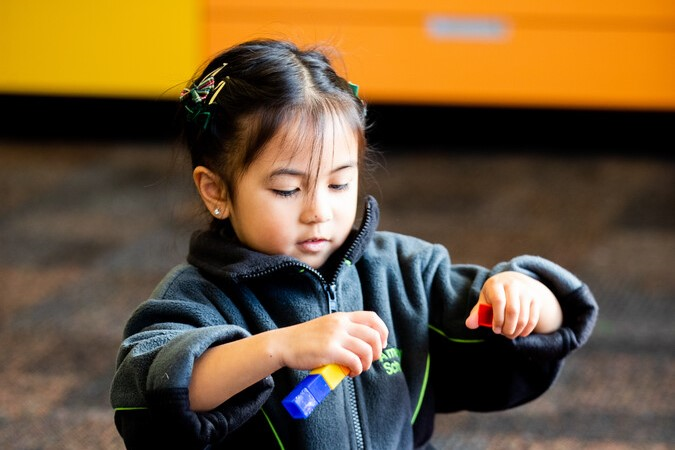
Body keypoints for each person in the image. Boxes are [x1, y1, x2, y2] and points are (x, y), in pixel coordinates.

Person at [110, 38, 598, 449]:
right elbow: (150, 390)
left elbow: (522, 338)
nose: (318, 211)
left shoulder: (406, 271)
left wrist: (527, 296)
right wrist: (278, 348)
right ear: (216, 190)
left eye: (339, 183)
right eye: (287, 189)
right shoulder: (196, 297)